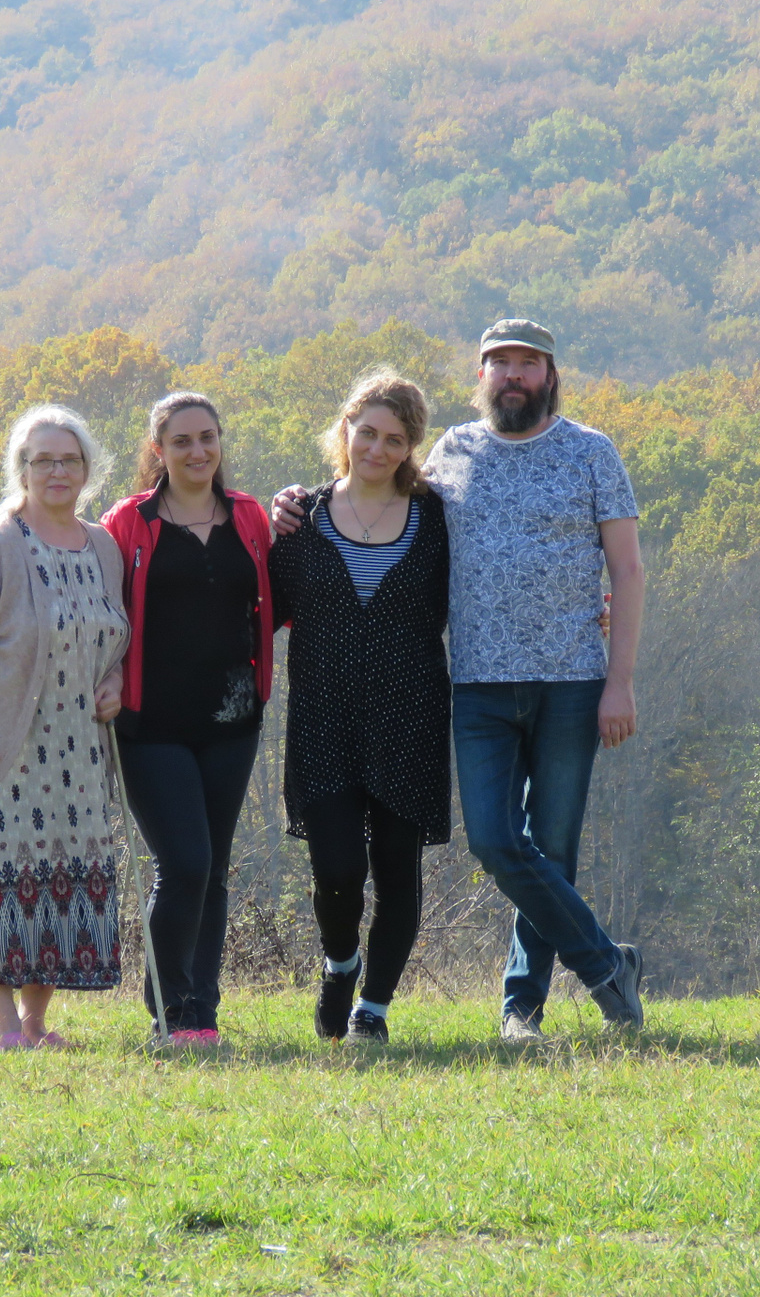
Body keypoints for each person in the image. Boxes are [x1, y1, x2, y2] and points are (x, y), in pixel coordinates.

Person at [273, 318, 647, 1040]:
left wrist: (620, 682)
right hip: (477, 686)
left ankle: (522, 1008)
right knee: (495, 842)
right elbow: (375, 495)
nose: (514, 375)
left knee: (553, 849)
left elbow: (628, 571)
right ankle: (607, 963)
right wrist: (292, 502)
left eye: (528, 363)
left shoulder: (591, 452)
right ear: (481, 376)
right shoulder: (453, 453)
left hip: (572, 680)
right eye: (500, 363)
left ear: (550, 376)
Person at [0, 405, 130, 1051]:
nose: (57, 471)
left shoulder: (104, 548)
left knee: (62, 879)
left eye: (69, 459)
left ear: (87, 469)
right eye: (43, 460)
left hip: (80, 756)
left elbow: (113, 636)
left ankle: (35, 1022)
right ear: (22, 470)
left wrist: (115, 680)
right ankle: (2, 1026)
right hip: (3, 752)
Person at [268, 371, 451, 1044]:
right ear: (345, 430)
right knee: (338, 868)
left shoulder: (437, 520)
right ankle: (340, 962)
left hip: (411, 719)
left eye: (394, 439)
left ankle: (373, 1008)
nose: (377, 448)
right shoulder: (300, 518)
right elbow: (257, 608)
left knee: (398, 872)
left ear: (411, 448)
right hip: (323, 721)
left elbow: (486, 596)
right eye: (367, 432)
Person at [101, 393, 274, 1047]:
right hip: (152, 727)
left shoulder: (250, 517)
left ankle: (202, 1011)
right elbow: (101, 612)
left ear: (220, 442)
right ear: (159, 450)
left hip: (234, 721)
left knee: (214, 869)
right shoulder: (128, 522)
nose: (197, 451)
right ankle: (169, 1008)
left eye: (207, 438)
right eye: (181, 441)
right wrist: (105, 677)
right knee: (187, 864)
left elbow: (278, 600)